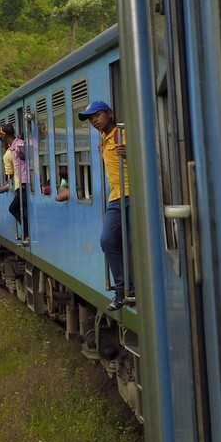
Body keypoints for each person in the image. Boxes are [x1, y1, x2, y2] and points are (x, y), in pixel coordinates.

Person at [79, 100, 133, 310]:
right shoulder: (104, 138)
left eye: (97, 115)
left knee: (131, 242)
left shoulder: (125, 134)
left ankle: (128, 289)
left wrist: (131, 153)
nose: (94, 120)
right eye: (91, 118)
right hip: (116, 197)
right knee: (108, 240)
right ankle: (123, 289)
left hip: (133, 194)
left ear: (110, 113)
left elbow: (152, 155)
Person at [0, 124, 28, 242]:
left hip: (24, 182)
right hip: (21, 181)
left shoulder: (19, 145)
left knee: (13, 208)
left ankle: (26, 233)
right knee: (22, 209)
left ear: (5, 136)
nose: (0, 138)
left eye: (1, 135)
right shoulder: (14, 146)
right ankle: (26, 234)